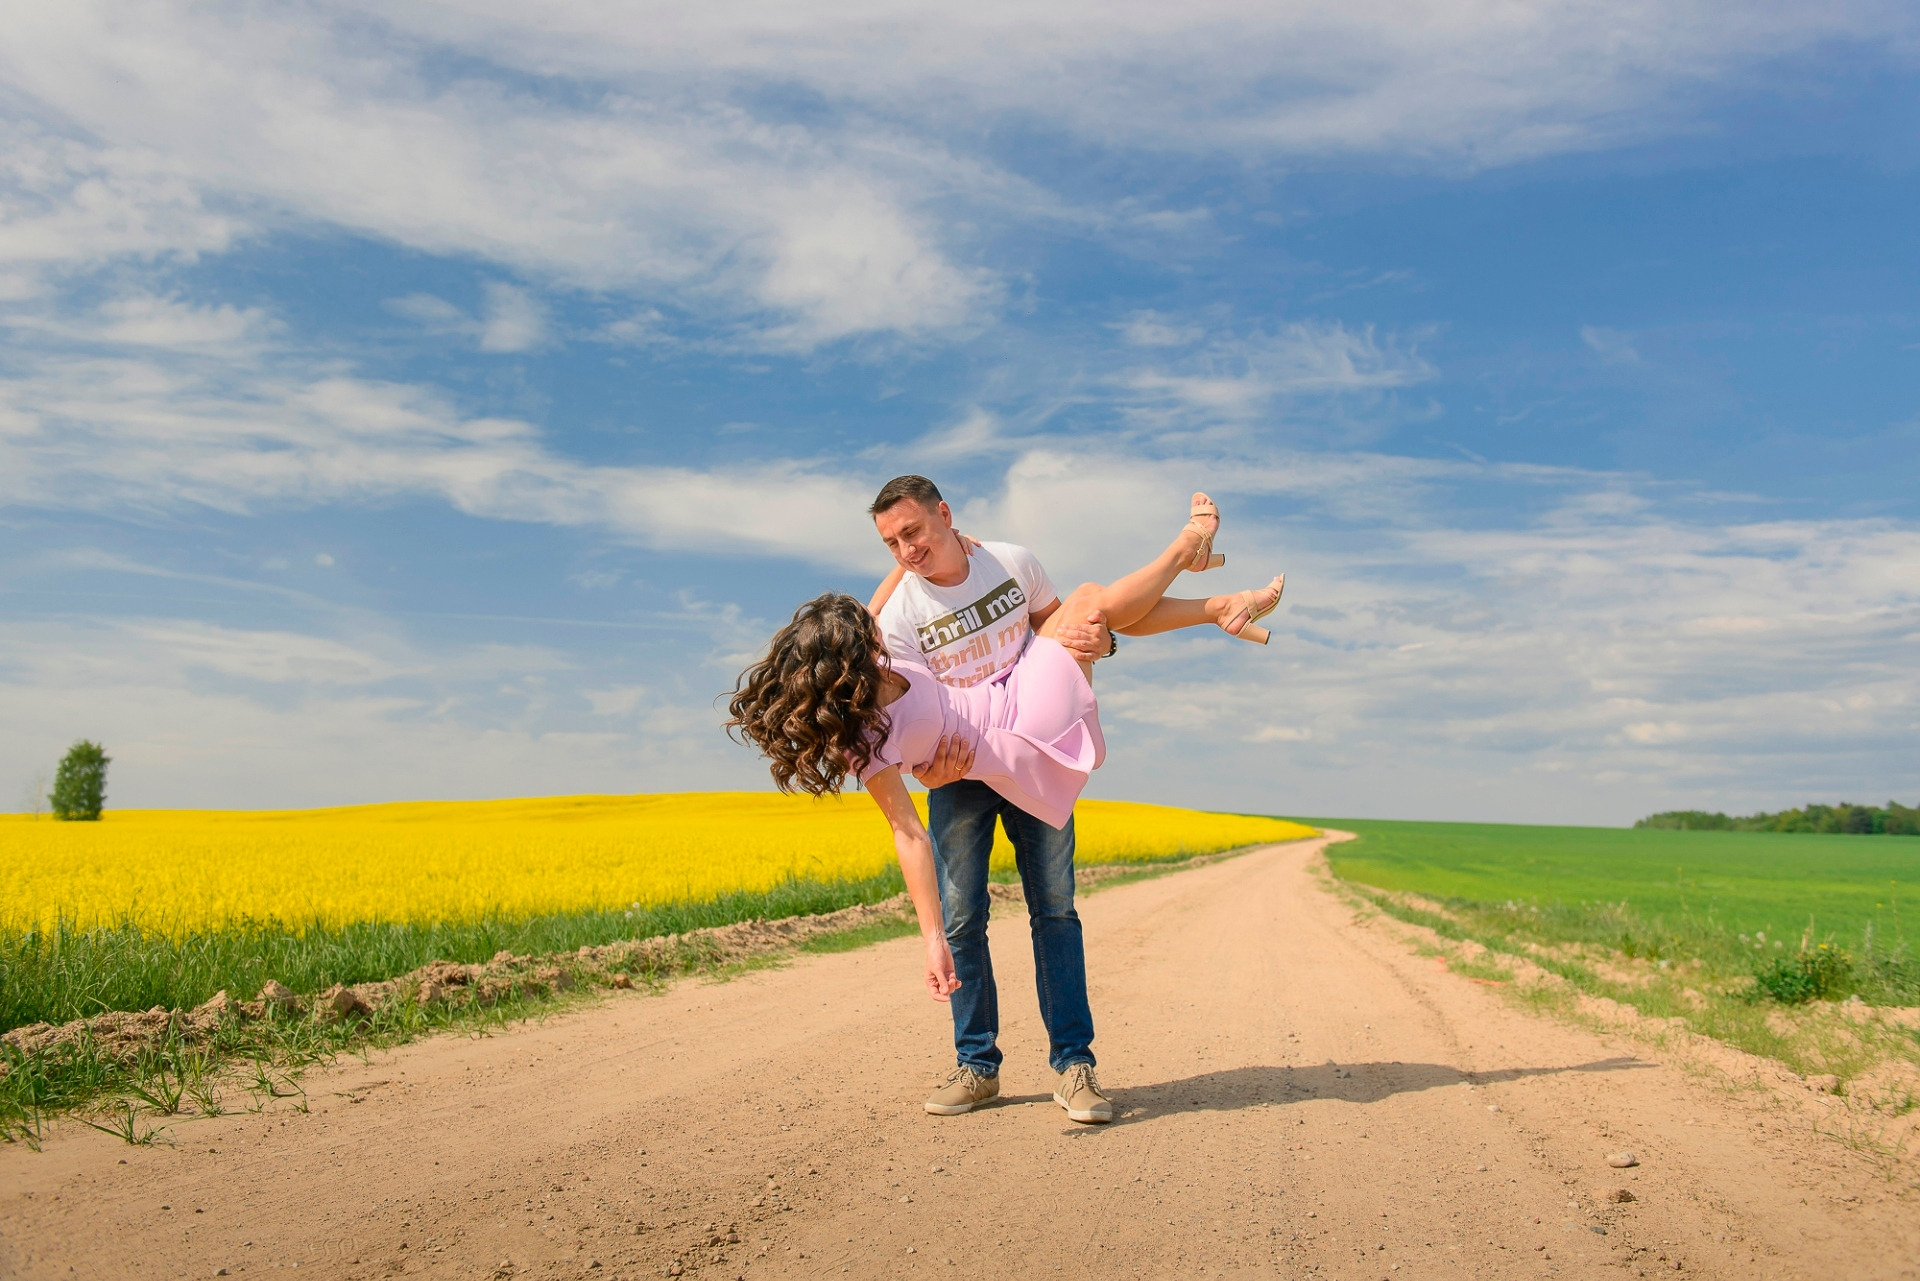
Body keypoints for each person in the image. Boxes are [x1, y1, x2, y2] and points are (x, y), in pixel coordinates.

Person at [725, 480, 1282, 1125]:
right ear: (844, 659)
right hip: (986, 761)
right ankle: (977, 1067)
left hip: (1020, 713)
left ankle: (1073, 1067)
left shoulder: (1003, 566)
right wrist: (929, 934)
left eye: (915, 534)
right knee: (964, 922)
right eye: (891, 543)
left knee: (1055, 910)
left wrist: (1099, 644)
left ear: (945, 517)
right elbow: (907, 831)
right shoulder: (884, 656)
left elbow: (1060, 631)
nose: (905, 554)